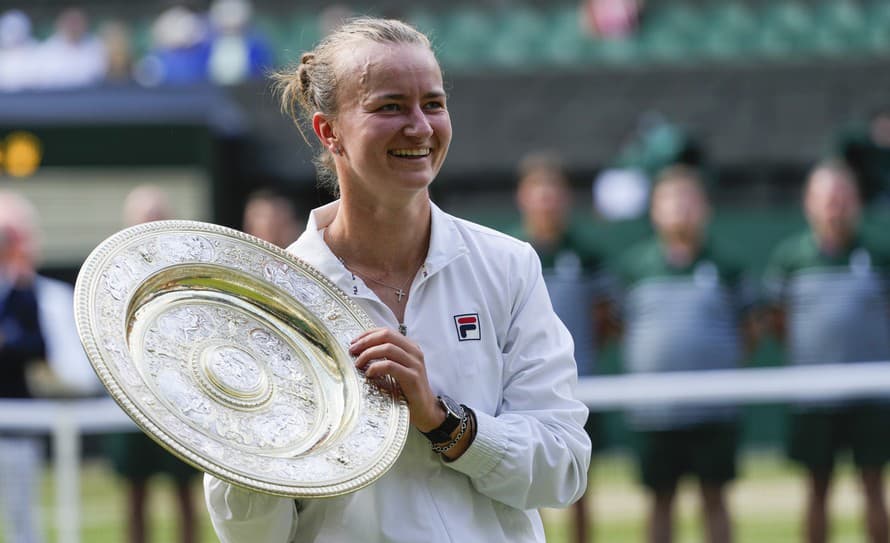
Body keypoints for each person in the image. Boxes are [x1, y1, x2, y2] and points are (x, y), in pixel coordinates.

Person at [204, 17, 591, 543]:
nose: (421, 127)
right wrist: (248, 434)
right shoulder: (274, 297)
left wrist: (444, 422)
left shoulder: (508, 265)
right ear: (329, 130)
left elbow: (563, 467)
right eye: (390, 106)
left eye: (432, 103)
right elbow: (251, 535)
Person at [615, 165, 755, 543]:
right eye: (670, 200)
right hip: (654, 413)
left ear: (705, 208)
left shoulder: (728, 265)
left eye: (689, 200)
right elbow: (617, 324)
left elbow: (750, 329)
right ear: (654, 211)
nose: (680, 208)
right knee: (661, 500)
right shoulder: (634, 267)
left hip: (714, 410)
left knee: (715, 498)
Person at [764, 160, 890, 543]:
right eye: (827, 198)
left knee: (873, 484)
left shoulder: (880, 254)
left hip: (870, 394)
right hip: (814, 397)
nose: (835, 206)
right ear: (809, 203)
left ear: (856, 202)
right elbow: (776, 320)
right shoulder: (791, 258)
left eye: (842, 197)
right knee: (817, 486)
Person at [510, 151, 612, 543]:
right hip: (518, 389)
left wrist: (574, 364)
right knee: (524, 481)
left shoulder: (588, 256)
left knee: (578, 481)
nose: (546, 199)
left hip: (580, 386)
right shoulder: (506, 252)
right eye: (538, 191)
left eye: (554, 191)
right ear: (523, 197)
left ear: (566, 198)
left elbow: (604, 321)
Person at [0, 190, 100, 543]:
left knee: (21, 514)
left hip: (18, 422)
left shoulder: (27, 293)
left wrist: (7, 344)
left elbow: (36, 346)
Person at [106, 185, 200, 543]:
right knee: (134, 493)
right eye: (145, 218)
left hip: (179, 400)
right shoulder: (113, 274)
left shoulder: (186, 271)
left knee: (184, 493)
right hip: (132, 397)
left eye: (157, 217)